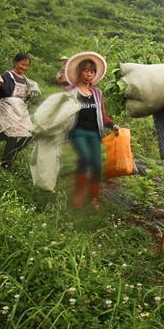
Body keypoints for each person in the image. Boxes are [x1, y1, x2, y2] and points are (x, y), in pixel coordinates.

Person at [65, 51, 115, 210]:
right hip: (77, 131)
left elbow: (103, 115)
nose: (89, 74)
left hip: (94, 133)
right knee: (85, 158)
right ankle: (79, 194)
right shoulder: (70, 92)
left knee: (97, 165)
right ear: (79, 72)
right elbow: (62, 113)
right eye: (86, 70)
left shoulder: (97, 93)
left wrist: (113, 125)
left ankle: (94, 198)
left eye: (92, 71)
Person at [0, 53, 39, 169]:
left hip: (21, 110)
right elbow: (3, 91)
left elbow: (26, 96)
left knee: (29, 135)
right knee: (12, 136)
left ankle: (10, 155)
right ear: (15, 62)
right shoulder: (7, 75)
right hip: (8, 108)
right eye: (22, 64)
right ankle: (6, 164)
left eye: (27, 66)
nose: (24, 67)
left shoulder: (26, 80)